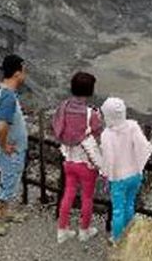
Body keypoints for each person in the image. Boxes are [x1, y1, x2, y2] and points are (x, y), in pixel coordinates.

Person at [54, 72, 104, 244]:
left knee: (68, 193)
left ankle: (62, 229)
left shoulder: (64, 106)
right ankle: (84, 230)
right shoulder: (91, 113)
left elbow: (57, 127)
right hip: (86, 163)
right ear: (90, 91)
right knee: (87, 197)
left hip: (68, 159)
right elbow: (98, 134)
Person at [0, 54, 29, 235]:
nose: (26, 74)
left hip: (8, 148)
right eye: (24, 70)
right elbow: (2, 126)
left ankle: (5, 213)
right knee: (6, 185)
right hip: (10, 150)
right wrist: (4, 146)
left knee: (10, 181)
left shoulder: (0, 88)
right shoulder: (8, 97)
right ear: (17, 73)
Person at [100, 97, 152, 243]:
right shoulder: (132, 126)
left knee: (118, 210)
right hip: (135, 175)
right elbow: (143, 146)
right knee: (130, 204)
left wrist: (107, 176)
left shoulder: (107, 135)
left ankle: (117, 239)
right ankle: (129, 234)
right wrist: (139, 166)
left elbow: (108, 159)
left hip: (119, 179)